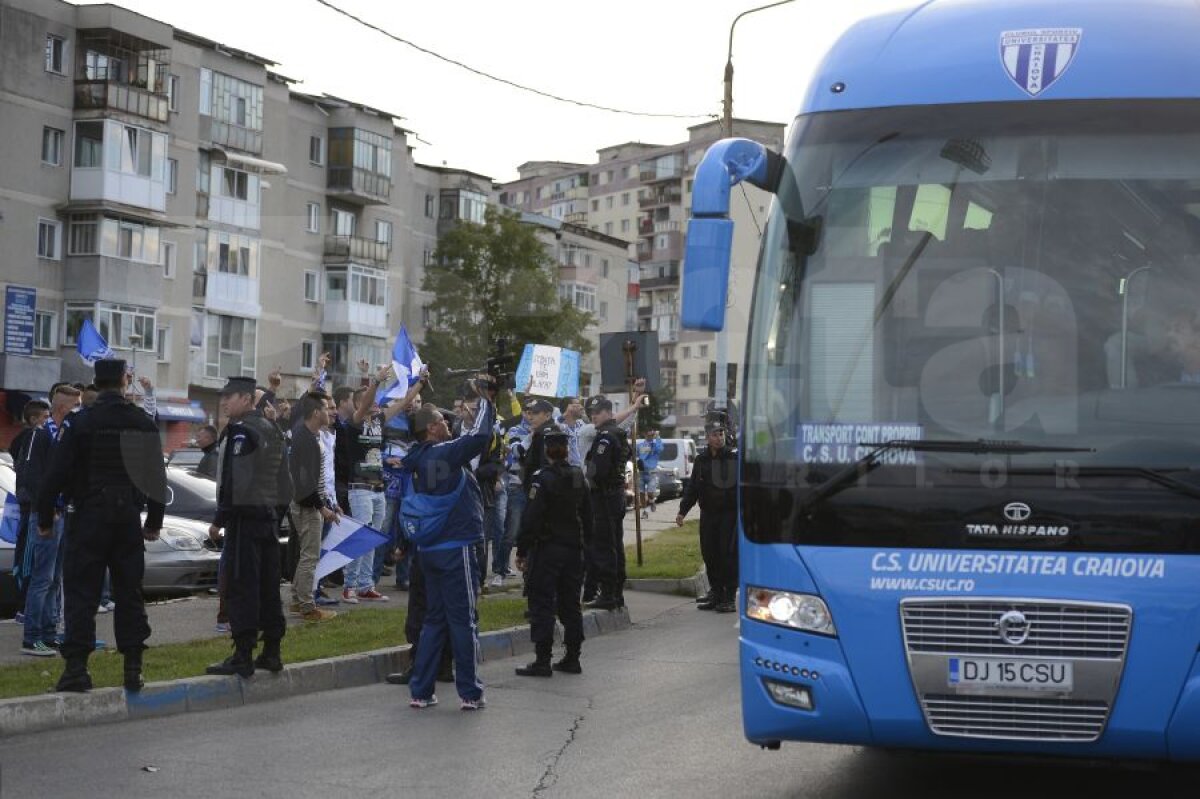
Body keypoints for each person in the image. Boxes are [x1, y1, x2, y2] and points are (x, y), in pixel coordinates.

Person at [36, 360, 166, 691]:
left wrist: (44, 518)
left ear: (96, 381)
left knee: (82, 593)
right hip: (126, 520)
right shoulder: (142, 422)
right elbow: (155, 478)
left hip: (88, 518)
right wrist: (153, 521)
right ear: (125, 381)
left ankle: (77, 670)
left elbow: (55, 472)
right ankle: (133, 668)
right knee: (129, 593)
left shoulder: (81, 423)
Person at [402, 378, 495, 710]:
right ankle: (470, 692)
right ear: (431, 430)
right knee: (463, 619)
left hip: (429, 550)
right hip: (456, 548)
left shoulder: (415, 457)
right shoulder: (443, 452)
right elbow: (481, 437)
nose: (447, 423)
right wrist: (487, 400)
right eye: (442, 421)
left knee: (434, 620)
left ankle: (421, 691)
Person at [205, 376, 293, 678]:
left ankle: (242, 655)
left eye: (229, 398)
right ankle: (272, 652)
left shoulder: (243, 432)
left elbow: (236, 485)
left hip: (246, 522)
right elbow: (286, 483)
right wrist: (274, 513)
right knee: (269, 589)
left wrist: (219, 520)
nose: (225, 403)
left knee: (243, 588)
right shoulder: (274, 429)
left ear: (246, 399)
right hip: (267, 521)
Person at [514, 430, 593, 677]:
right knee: (571, 604)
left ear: (547, 451)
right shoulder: (578, 475)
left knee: (542, 603)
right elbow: (589, 516)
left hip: (548, 550)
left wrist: (523, 549)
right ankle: (572, 656)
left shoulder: (542, 478)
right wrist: (585, 546)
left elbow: (531, 518)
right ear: (567, 450)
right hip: (573, 550)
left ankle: (542, 659)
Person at [676, 419, 739, 613]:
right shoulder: (702, 459)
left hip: (728, 514)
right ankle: (716, 592)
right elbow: (693, 487)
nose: (719, 437)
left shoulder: (733, 457)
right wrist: (682, 511)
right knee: (710, 554)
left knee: (726, 555)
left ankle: (728, 596)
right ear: (707, 437)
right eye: (715, 434)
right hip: (708, 514)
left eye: (721, 433)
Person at [287, 391, 339, 622]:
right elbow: (305, 483)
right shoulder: (305, 439)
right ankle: (308, 606)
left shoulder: (306, 435)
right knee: (310, 556)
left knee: (305, 555)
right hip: (306, 506)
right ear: (316, 412)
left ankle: (298, 600)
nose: (330, 412)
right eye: (327, 408)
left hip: (308, 503)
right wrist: (322, 507)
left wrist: (328, 502)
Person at [583, 395, 631, 611]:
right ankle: (616, 592)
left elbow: (597, 471)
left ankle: (608, 593)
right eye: (591, 413)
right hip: (615, 495)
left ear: (609, 413)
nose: (593, 416)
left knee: (604, 546)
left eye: (598, 412)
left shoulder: (605, 436)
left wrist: (587, 474)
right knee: (615, 545)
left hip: (604, 497)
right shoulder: (618, 433)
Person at [636, 429, 664, 518]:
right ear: (645, 434)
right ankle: (645, 511)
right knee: (641, 493)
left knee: (650, 493)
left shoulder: (656, 445)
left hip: (652, 472)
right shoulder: (640, 445)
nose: (650, 436)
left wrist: (658, 437)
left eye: (652, 435)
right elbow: (636, 456)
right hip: (641, 472)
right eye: (648, 434)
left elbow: (660, 449)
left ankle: (652, 502)